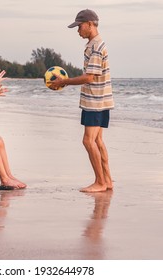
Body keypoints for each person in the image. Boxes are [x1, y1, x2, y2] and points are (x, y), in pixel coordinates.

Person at [50, 9, 114, 192]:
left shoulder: (95, 47)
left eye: (79, 27)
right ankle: (107, 181)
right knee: (98, 141)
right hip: (102, 100)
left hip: (94, 100)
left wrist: (64, 81)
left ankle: (100, 182)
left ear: (90, 24)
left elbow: (89, 78)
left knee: (88, 141)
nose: (78, 31)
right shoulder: (97, 44)